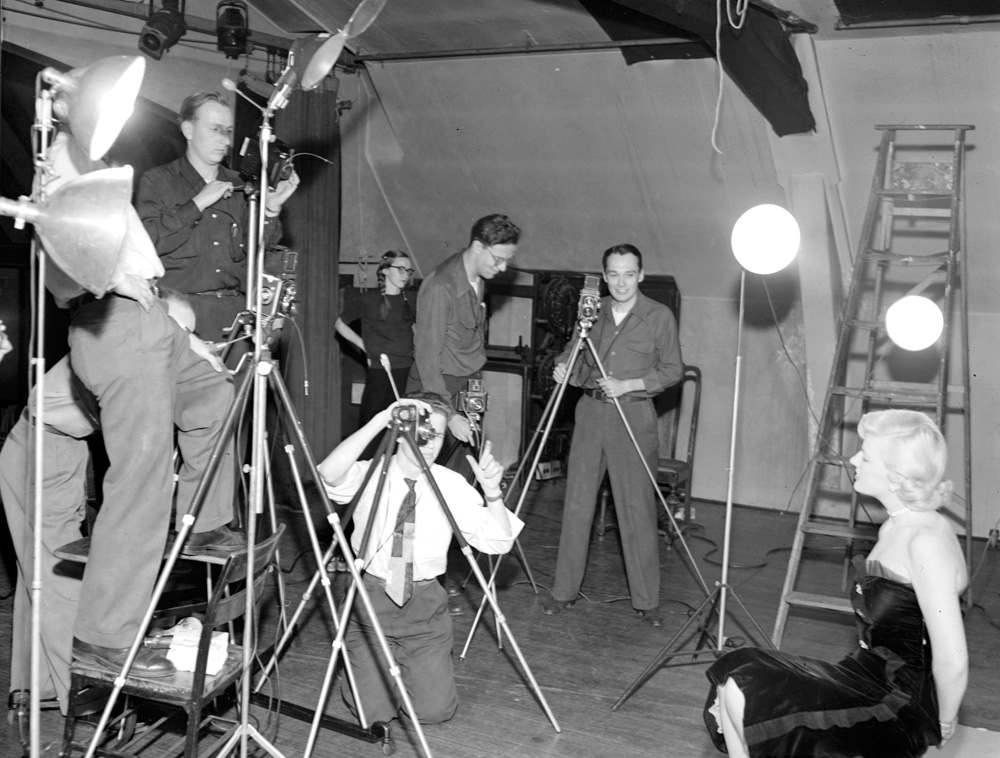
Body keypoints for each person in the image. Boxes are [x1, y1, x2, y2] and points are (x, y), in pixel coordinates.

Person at [37, 130, 243, 679]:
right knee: (142, 480)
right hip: (113, 321)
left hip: (151, 318)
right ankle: (105, 636)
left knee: (214, 395)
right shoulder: (58, 171)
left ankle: (205, 520)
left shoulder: (95, 165)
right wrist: (116, 279)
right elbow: (63, 257)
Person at [705, 410, 968, 758]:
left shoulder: (925, 542)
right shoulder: (896, 526)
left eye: (866, 455)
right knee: (737, 675)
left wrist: (944, 723)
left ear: (897, 476)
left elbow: (953, 660)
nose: (854, 459)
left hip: (896, 700)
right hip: (862, 672)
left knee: (745, 689)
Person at [0, 293, 218, 710]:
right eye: (179, 331)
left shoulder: (145, 358)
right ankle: (81, 694)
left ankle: (38, 685)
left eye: (189, 334)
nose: (184, 341)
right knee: (58, 574)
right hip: (37, 451)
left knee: (39, 569)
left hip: (59, 450)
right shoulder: (121, 350)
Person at [317, 391, 524, 724]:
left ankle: (403, 669)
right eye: (420, 432)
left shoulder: (451, 484)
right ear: (399, 430)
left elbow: (498, 542)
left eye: (437, 435)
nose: (428, 443)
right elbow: (328, 473)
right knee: (374, 716)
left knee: (434, 712)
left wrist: (493, 493)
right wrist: (381, 418)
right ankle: (370, 670)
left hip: (424, 612)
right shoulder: (373, 473)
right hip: (369, 610)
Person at [542, 244, 682, 627]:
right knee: (577, 505)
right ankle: (563, 592)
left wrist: (630, 384)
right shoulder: (592, 312)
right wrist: (561, 368)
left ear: (641, 274)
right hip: (589, 414)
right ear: (604, 276)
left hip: (633, 415)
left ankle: (647, 601)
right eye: (614, 274)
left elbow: (673, 370)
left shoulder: (658, 316)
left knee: (636, 509)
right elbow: (572, 353)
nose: (621, 282)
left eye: (629, 274)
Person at [136, 91, 299, 345]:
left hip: (234, 321)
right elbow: (147, 244)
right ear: (188, 129)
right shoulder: (157, 181)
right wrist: (198, 203)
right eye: (215, 129)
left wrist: (271, 210)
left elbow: (258, 254)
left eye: (229, 131)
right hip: (177, 318)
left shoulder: (243, 186)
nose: (224, 140)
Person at [407, 214, 521, 470]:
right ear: (478, 246)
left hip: (467, 383)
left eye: (507, 261)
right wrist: (449, 415)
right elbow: (427, 359)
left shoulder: (478, 279)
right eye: (498, 259)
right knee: (426, 474)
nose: (502, 268)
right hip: (437, 389)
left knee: (464, 470)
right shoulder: (441, 287)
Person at [335, 251, 416, 458]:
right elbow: (340, 325)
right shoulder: (369, 299)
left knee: (402, 430)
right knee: (373, 429)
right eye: (400, 269)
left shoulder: (410, 301)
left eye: (408, 270)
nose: (405, 274)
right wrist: (365, 346)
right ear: (385, 270)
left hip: (406, 371)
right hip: (380, 372)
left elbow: (412, 330)